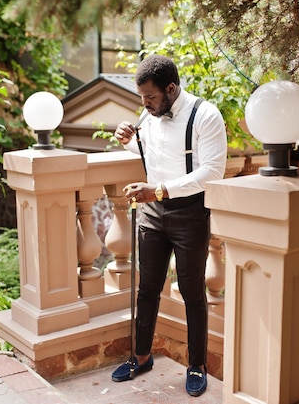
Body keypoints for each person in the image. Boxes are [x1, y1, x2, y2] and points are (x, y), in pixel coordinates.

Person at [110, 54, 227, 397]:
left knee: (192, 292)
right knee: (147, 288)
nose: (144, 104)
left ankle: (197, 364)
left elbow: (211, 172)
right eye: (142, 98)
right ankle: (141, 356)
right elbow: (155, 153)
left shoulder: (205, 115)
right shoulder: (150, 115)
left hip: (189, 213)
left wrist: (159, 190)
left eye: (150, 97)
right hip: (152, 213)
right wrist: (128, 139)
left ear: (171, 88)